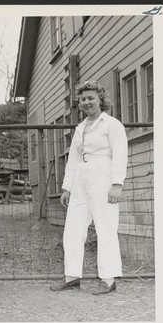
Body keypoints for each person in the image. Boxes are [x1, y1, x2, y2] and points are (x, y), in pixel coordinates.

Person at [50, 80, 128, 295]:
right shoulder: (80, 128)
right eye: (83, 99)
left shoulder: (112, 124)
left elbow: (120, 155)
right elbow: (73, 159)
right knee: (73, 230)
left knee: (106, 229)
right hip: (81, 181)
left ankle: (108, 279)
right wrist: (67, 188)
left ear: (101, 100)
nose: (86, 102)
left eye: (91, 98)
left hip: (103, 178)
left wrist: (116, 185)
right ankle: (72, 277)